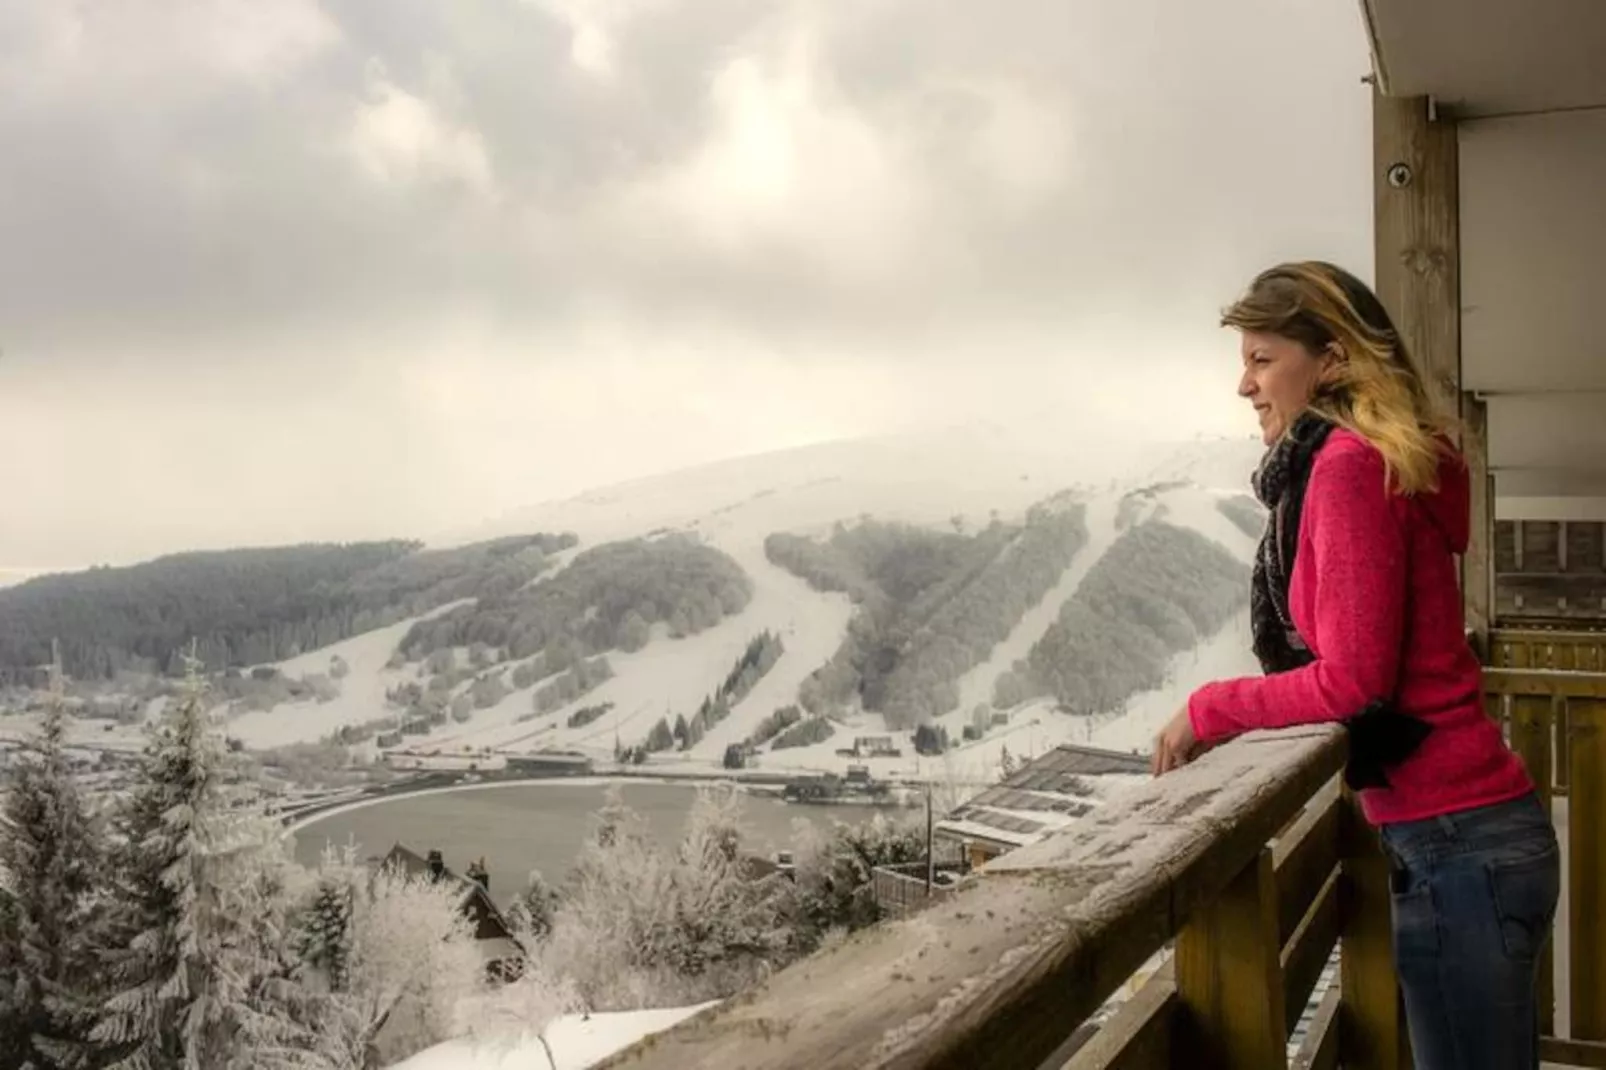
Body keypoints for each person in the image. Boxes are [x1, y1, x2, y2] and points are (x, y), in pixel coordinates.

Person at [1151, 260, 1560, 1070]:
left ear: (1331, 359)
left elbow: (1354, 680)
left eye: (1262, 359)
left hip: (1457, 841)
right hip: (1473, 836)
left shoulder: (1343, 467)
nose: (1245, 385)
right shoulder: (1369, 460)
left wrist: (1208, 707)